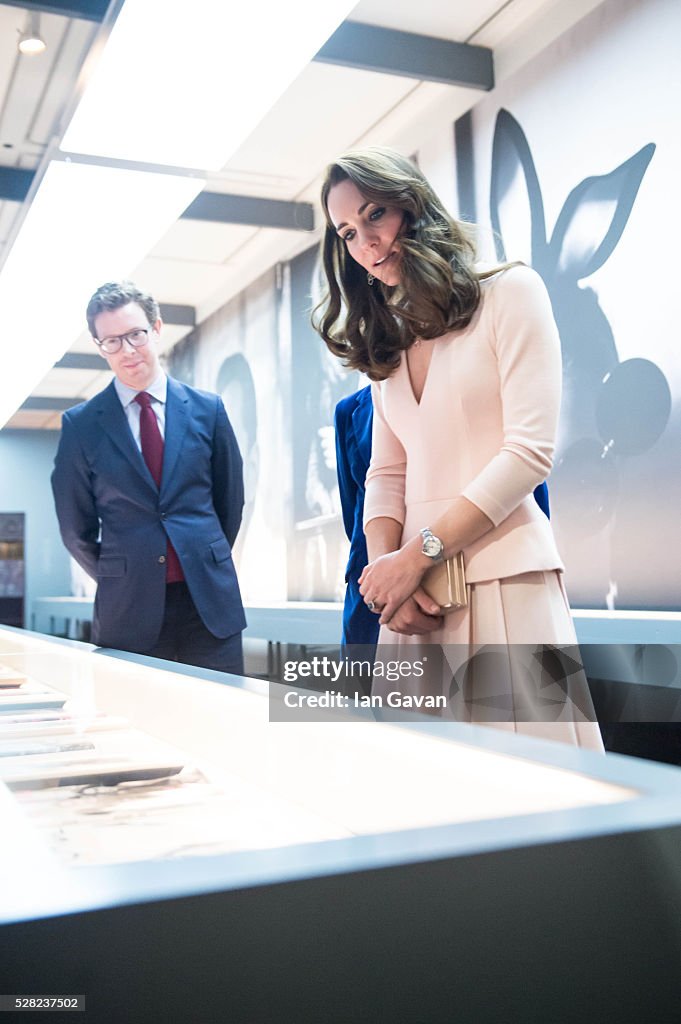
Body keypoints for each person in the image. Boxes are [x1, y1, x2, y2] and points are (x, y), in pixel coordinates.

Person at [314, 147, 603, 749]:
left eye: (375, 216)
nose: (365, 242)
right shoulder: (384, 337)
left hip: (505, 573)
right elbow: (385, 471)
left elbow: (528, 452)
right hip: (412, 600)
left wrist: (415, 558)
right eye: (348, 232)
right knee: (423, 798)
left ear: (411, 207)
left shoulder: (512, 291)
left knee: (536, 795)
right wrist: (383, 578)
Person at [51, 281, 246, 674]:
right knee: (135, 724)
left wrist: (202, 557)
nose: (127, 350)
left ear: (156, 329)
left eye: (135, 335)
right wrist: (120, 574)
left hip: (207, 601)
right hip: (128, 608)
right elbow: (75, 529)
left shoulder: (209, 410)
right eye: (111, 341)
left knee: (221, 719)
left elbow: (230, 501)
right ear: (98, 345)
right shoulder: (81, 426)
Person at [335, 384, 552, 650]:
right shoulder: (351, 410)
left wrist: (409, 563)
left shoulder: (490, 385)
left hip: (486, 578)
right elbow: (357, 509)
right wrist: (388, 580)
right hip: (375, 602)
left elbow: (525, 493)